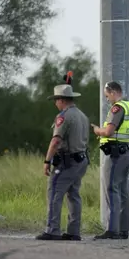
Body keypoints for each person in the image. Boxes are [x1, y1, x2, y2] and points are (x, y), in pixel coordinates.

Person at [36, 71, 90, 241]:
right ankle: (74, 231)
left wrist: (47, 160)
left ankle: (52, 230)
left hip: (67, 162)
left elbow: (56, 141)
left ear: (62, 100)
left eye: (56, 100)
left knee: (54, 193)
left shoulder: (64, 117)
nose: (55, 103)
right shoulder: (82, 116)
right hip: (81, 160)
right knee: (74, 195)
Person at [91, 81, 129, 240]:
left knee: (111, 189)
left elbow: (109, 131)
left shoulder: (117, 108)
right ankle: (123, 229)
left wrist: (97, 130)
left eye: (107, 96)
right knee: (123, 191)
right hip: (127, 152)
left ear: (113, 92)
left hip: (117, 154)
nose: (107, 99)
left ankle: (112, 230)